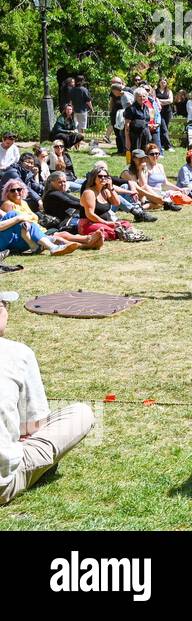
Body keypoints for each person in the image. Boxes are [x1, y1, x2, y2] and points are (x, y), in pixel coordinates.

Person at [0, 290, 96, 506]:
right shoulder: (18, 353)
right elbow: (33, 427)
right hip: (3, 484)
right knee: (82, 413)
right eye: (4, 304)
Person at [1, 181, 103, 250]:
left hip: (39, 229)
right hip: (27, 233)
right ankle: (87, 243)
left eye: (19, 189)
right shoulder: (8, 204)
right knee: (60, 236)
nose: (16, 192)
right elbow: (12, 222)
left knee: (62, 234)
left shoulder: (24, 203)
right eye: (13, 190)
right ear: (7, 193)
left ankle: (88, 240)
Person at [156, 79, 174, 151]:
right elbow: (154, 99)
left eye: (164, 82)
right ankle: (169, 146)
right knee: (164, 129)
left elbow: (170, 101)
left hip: (167, 112)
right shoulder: (155, 91)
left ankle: (163, 145)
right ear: (159, 83)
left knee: (165, 128)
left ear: (166, 83)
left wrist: (159, 101)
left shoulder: (169, 91)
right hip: (159, 112)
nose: (163, 84)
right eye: (161, 82)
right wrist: (164, 101)